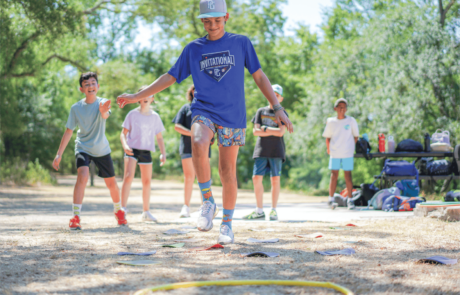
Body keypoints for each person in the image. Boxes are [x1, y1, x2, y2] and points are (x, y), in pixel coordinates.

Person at [117, 0, 293, 244]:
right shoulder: (193, 49)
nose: (212, 25)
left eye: (217, 20)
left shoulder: (240, 43)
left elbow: (259, 76)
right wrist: (137, 95)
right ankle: (207, 201)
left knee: (227, 171)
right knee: (198, 141)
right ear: (202, 21)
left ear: (226, 18)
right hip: (203, 110)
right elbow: (170, 76)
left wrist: (277, 107)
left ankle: (227, 224)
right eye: (208, 21)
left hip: (233, 115)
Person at [52, 72, 127, 230]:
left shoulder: (104, 103)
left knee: (111, 183)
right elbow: (68, 131)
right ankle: (75, 216)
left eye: (93, 83)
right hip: (83, 147)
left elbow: (105, 115)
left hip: (101, 149)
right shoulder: (76, 108)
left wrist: (102, 111)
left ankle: (118, 211)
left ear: (98, 87)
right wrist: (59, 154)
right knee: (83, 176)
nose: (90, 86)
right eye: (87, 84)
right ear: (81, 89)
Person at [120, 85, 166, 222]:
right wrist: (125, 145)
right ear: (138, 98)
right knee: (128, 177)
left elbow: (159, 137)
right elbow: (123, 134)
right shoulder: (132, 114)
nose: (146, 97)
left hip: (146, 151)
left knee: (147, 182)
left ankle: (146, 212)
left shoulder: (155, 117)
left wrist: (163, 153)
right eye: (142, 94)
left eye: (149, 94)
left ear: (153, 98)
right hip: (131, 150)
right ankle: (122, 209)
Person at [243, 84, 287, 221]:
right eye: (272, 94)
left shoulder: (282, 113)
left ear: (281, 98)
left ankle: (273, 210)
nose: (274, 97)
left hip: (277, 150)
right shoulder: (260, 111)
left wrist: (265, 128)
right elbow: (255, 131)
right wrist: (271, 130)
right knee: (256, 178)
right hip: (261, 149)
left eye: (277, 95)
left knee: (275, 179)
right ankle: (259, 210)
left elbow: (281, 132)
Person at [172, 85, 211, 218]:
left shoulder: (207, 109)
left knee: (204, 177)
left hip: (204, 149)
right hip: (188, 148)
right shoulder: (185, 108)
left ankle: (205, 207)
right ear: (191, 92)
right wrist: (193, 134)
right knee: (189, 177)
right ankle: (186, 207)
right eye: (194, 89)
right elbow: (177, 126)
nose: (197, 91)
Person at [322, 98, 359, 210]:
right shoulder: (331, 122)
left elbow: (355, 136)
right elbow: (327, 137)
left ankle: (350, 199)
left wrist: (349, 146)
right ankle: (331, 199)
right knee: (334, 175)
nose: (342, 109)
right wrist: (329, 149)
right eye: (340, 107)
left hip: (347, 153)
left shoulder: (351, 121)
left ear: (346, 109)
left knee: (348, 175)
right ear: (335, 108)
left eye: (344, 107)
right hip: (335, 152)